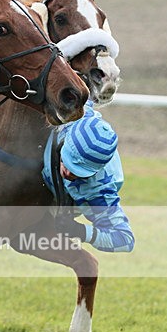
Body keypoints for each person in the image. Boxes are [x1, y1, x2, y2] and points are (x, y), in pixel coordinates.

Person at [42, 105, 135, 252]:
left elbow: (125, 239)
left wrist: (80, 231)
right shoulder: (72, 112)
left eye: (78, 172)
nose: (68, 173)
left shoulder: (98, 191)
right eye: (68, 162)